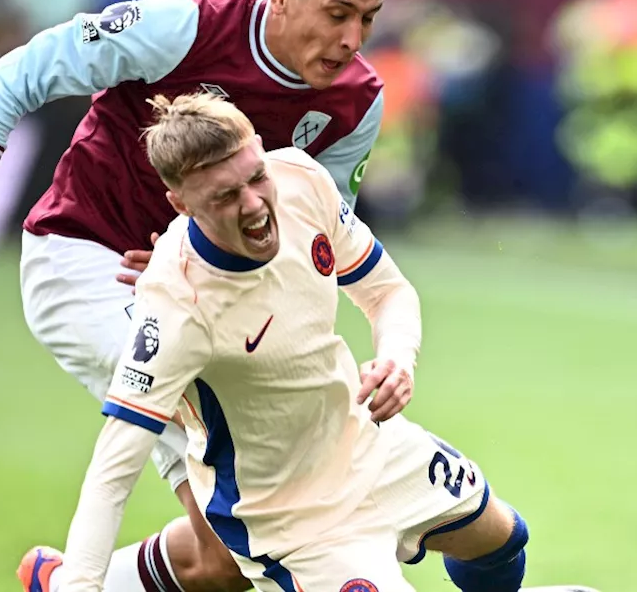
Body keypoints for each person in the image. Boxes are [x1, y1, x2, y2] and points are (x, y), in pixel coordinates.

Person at [0, 0, 405, 592]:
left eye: (367, 19)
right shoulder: (182, 27)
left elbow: (309, 244)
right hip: (85, 261)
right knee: (270, 511)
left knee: (224, 554)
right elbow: (10, 80)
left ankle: (61, 581)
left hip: (200, 295)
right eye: (338, 13)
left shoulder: (357, 103)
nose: (352, 38)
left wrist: (196, 258)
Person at [43, 91, 532, 592]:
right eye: (224, 197)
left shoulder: (300, 179)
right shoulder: (175, 305)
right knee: (211, 566)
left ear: (259, 148)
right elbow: (114, 464)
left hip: (370, 443)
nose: (254, 204)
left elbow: (386, 290)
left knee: (504, 540)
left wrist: (397, 359)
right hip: (287, 516)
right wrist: (81, 583)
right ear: (180, 204)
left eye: (256, 177)